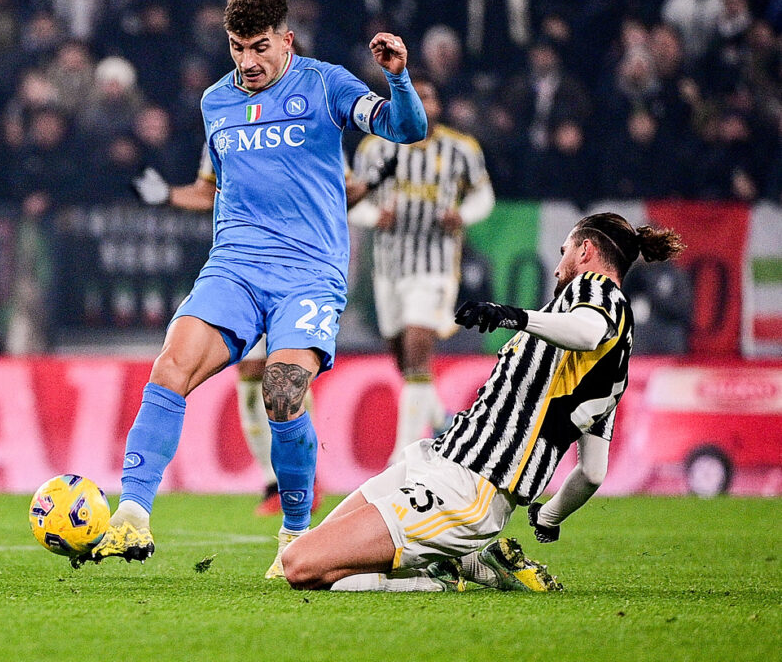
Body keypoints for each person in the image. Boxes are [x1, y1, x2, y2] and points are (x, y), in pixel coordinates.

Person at [81, 0, 427, 575]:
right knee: (170, 368)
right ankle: (132, 516)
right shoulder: (216, 102)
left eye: (259, 47)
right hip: (235, 267)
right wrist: (167, 195)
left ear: (285, 40)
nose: (248, 62)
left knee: (283, 392)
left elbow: (405, 129)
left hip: (310, 273)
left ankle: (296, 535)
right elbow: (216, 187)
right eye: (237, 48)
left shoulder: (325, 83)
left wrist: (397, 78)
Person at [279, 212, 684, 592]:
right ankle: (463, 559)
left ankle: (435, 575)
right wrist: (549, 516)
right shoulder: (609, 370)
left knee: (301, 567)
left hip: (466, 489)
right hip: (437, 462)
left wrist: (514, 316)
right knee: (293, 562)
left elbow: (589, 330)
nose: (559, 267)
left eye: (564, 252)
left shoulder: (595, 292)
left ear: (586, 251)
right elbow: (592, 472)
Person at [132, 147, 324, 517]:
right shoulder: (222, 122)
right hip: (242, 271)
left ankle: (305, 481)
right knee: (252, 373)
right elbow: (207, 192)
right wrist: (168, 195)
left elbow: (338, 188)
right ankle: (274, 482)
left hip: (295, 271)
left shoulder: (306, 117)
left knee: (285, 374)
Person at [347, 76, 494, 464]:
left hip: (435, 266)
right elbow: (351, 200)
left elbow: (483, 194)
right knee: (402, 357)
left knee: (416, 349)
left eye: (425, 97)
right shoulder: (374, 147)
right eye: (408, 97)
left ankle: (404, 457)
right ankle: (440, 420)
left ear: (436, 105)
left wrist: (460, 214)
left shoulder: (460, 149)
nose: (418, 103)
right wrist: (374, 215)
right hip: (389, 268)